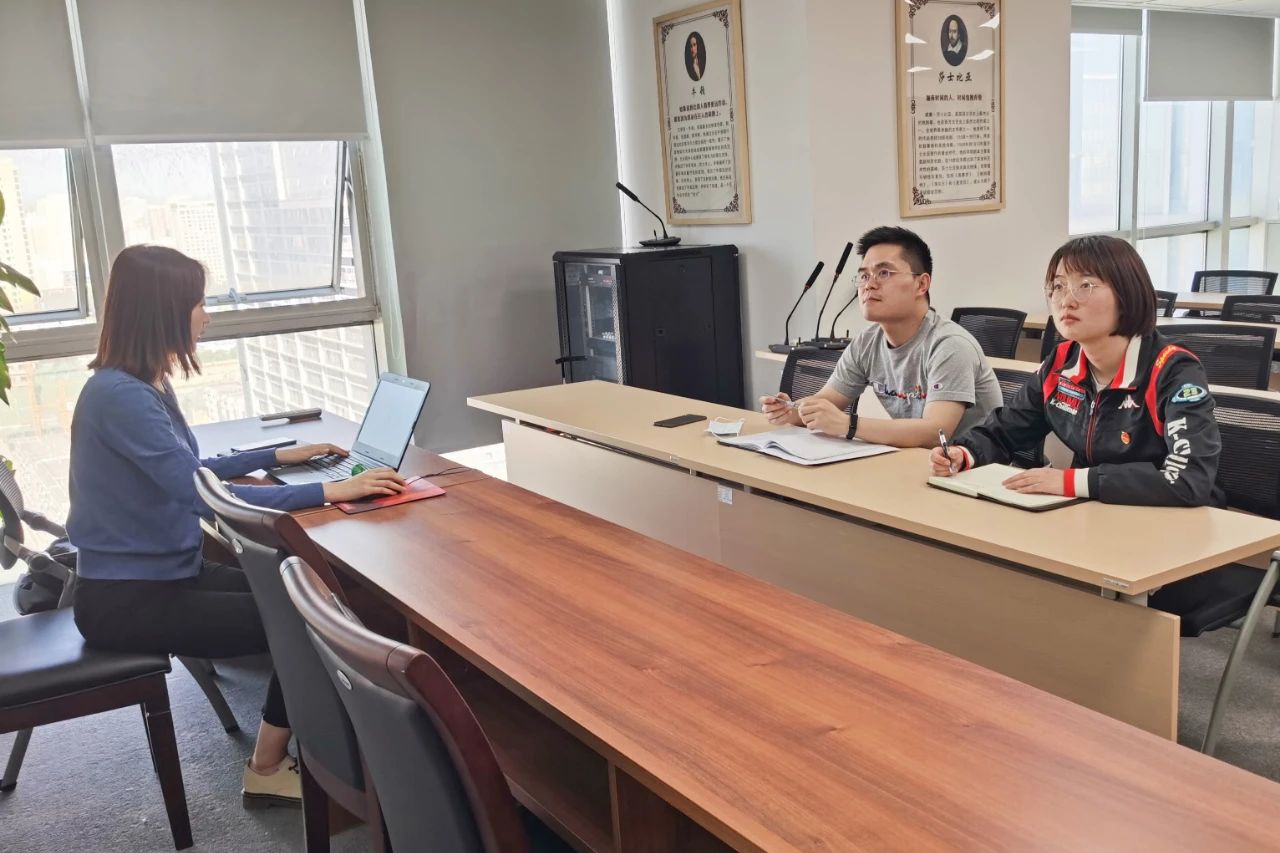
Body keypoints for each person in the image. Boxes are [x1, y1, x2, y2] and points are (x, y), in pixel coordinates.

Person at [68, 245, 406, 807]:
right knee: (309, 621)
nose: (206, 316)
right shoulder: (120, 396)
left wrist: (277, 456)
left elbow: (189, 469)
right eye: (198, 303)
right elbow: (204, 497)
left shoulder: (141, 383)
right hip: (125, 600)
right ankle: (267, 767)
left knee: (321, 598)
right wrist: (330, 490)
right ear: (163, 311)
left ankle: (338, 745)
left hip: (167, 577)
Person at [930, 235, 1222, 507]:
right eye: (1058, 286)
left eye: (1085, 286)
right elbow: (1007, 429)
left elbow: (1189, 479)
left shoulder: (1172, 370)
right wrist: (964, 453)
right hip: (1091, 511)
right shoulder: (1061, 362)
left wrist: (1072, 481)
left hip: (1170, 519)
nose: (1066, 300)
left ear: (1127, 294)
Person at [760, 226, 1002, 448]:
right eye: (864, 276)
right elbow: (826, 403)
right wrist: (792, 410)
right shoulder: (866, 343)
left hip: (976, 468)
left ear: (921, 284)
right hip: (919, 462)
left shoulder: (950, 346)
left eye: (884, 273)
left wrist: (848, 425)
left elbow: (935, 433)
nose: (869, 285)